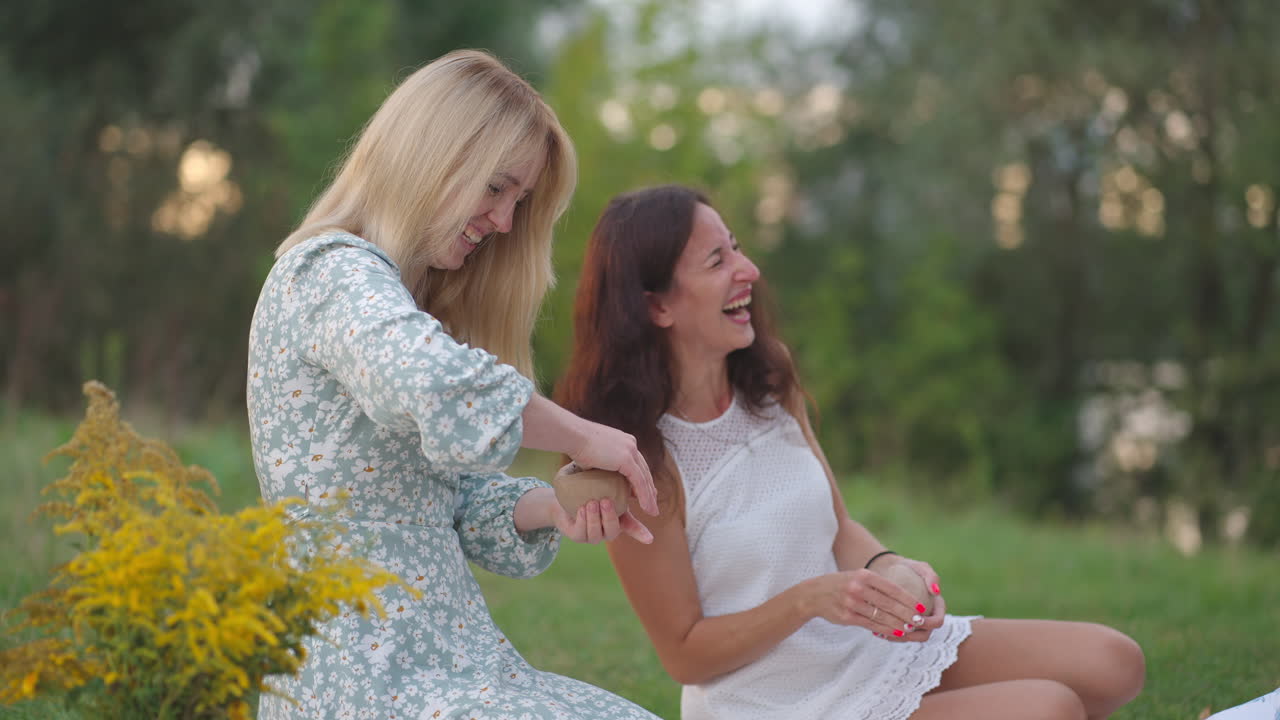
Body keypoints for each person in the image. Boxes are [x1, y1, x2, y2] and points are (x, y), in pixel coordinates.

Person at [555, 184, 1147, 720]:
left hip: (857, 649)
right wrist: (810, 600)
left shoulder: (769, 374)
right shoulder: (640, 461)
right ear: (656, 306)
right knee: (1049, 710)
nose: (749, 270)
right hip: (775, 702)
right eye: (718, 261)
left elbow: (838, 527)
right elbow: (684, 655)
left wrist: (889, 568)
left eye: (736, 249)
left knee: (1115, 662)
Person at [246, 50, 661, 720]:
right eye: (496, 187)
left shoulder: (391, 301)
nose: (503, 221)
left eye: (518, 201)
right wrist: (585, 434)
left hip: (444, 663)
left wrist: (553, 510)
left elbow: (447, 502)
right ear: (430, 156)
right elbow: (437, 382)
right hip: (356, 674)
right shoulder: (327, 274)